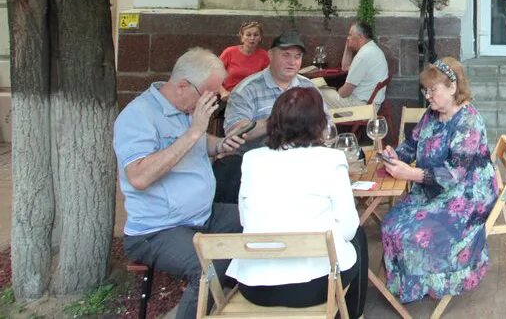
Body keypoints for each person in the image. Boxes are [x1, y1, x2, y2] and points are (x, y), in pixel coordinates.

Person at [114, 48, 245, 319]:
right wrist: (195, 130)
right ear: (183, 85)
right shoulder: (138, 116)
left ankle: (231, 307)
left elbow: (196, 146)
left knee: (260, 219)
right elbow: (139, 176)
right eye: (208, 94)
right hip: (157, 229)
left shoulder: (185, 107)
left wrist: (219, 144)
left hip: (201, 215)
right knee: (209, 264)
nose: (214, 100)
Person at [227, 86, 368, 318]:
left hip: (255, 287)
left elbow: (244, 218)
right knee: (359, 238)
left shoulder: (251, 160)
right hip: (314, 286)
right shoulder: (330, 159)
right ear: (318, 123)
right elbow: (348, 228)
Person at [379, 57, 498, 304]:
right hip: (433, 187)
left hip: (466, 196)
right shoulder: (432, 115)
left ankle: (431, 283)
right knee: (391, 222)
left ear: (453, 88)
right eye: (426, 90)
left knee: (413, 233)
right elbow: (412, 144)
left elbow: (453, 175)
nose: (428, 96)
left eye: (433, 90)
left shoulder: (468, 121)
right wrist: (395, 155)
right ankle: (409, 284)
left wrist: (409, 174)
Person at [216, 29, 324, 203]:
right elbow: (234, 133)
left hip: (302, 165)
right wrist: (278, 120)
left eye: (297, 57)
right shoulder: (247, 89)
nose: (292, 62)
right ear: (271, 55)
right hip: (256, 169)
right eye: (286, 55)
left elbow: (327, 128)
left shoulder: (310, 88)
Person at [318, 20, 389, 110]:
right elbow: (345, 67)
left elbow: (344, 93)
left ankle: (319, 123)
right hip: (371, 104)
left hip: (361, 107)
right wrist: (348, 46)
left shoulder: (363, 55)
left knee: (316, 91)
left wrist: (336, 91)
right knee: (326, 90)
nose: (347, 38)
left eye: (350, 35)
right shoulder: (373, 49)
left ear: (360, 37)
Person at [219, 20, 270, 98]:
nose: (252, 38)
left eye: (256, 35)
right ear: (242, 37)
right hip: (229, 97)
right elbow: (213, 76)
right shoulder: (229, 52)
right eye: (248, 35)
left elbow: (268, 79)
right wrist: (223, 92)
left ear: (260, 38)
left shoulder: (264, 56)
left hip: (253, 97)